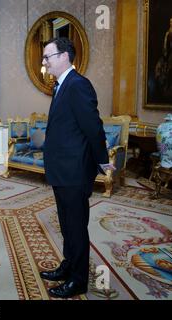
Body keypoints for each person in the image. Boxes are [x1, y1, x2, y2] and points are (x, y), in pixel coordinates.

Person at [40, 38, 113, 298]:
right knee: (66, 224)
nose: (44, 62)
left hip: (74, 171)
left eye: (48, 57)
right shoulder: (62, 85)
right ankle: (68, 266)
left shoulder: (78, 85)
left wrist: (102, 160)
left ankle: (78, 280)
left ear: (64, 56)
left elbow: (93, 128)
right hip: (62, 170)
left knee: (76, 226)